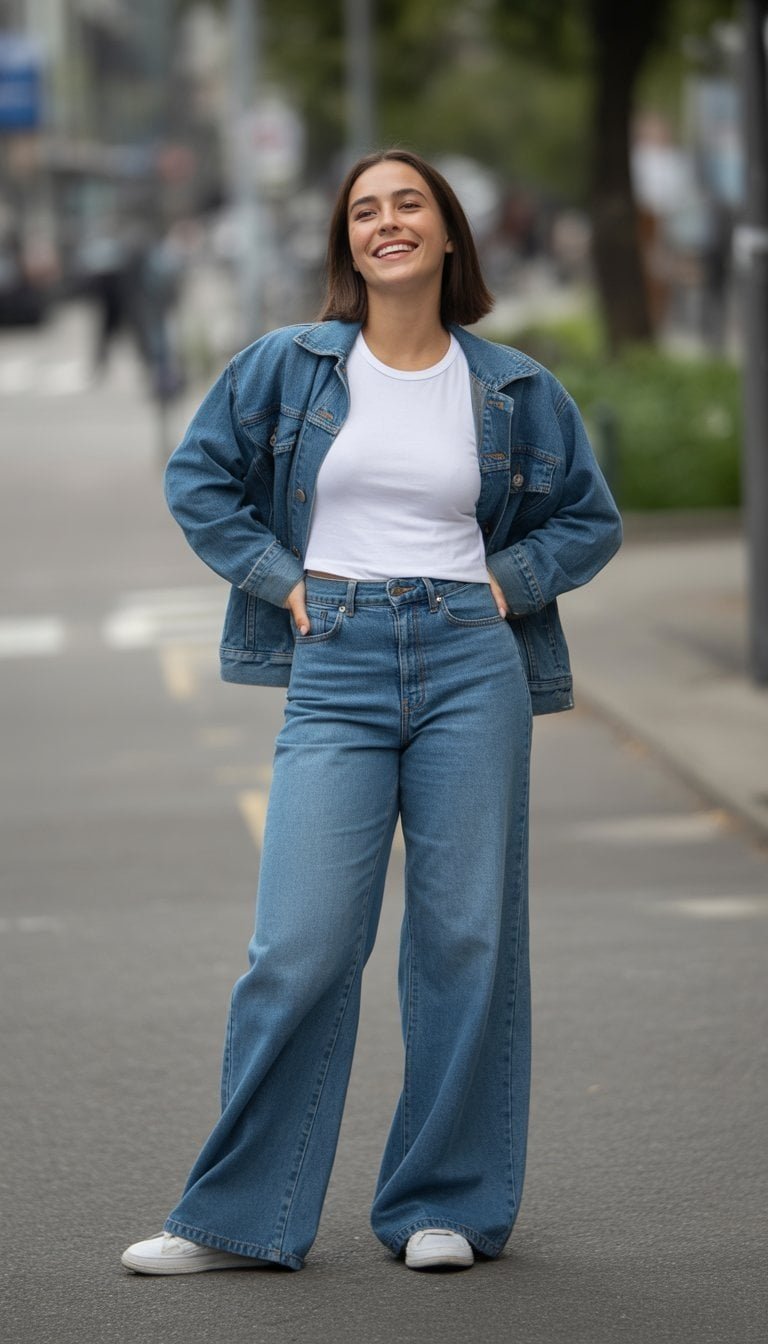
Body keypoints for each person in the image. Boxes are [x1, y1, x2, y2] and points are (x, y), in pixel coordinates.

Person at [122, 149, 622, 1276]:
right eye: (364, 210)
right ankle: (241, 1217)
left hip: (467, 660)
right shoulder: (284, 366)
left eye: (409, 205)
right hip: (334, 656)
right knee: (297, 947)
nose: (386, 223)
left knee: (464, 938)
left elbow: (587, 521)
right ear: (346, 242)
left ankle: (444, 1205)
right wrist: (282, 579)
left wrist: (506, 586)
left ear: (449, 234)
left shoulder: (514, 386)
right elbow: (198, 478)